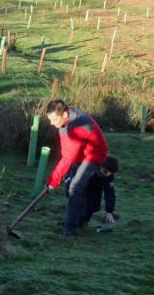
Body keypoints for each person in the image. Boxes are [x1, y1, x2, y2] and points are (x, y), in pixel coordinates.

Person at [45, 99, 109, 236]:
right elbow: (66, 152)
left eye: (54, 120)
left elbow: (68, 157)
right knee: (70, 187)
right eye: (50, 120)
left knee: (75, 187)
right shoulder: (65, 122)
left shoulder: (79, 127)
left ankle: (72, 227)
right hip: (81, 153)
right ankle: (79, 218)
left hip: (94, 155)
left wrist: (53, 181)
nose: (51, 123)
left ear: (64, 115)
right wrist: (55, 179)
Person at [78, 155, 119, 228]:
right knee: (87, 206)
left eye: (110, 173)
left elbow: (110, 193)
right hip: (83, 188)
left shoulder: (109, 177)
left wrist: (109, 211)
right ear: (101, 166)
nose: (107, 174)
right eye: (106, 171)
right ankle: (79, 222)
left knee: (96, 207)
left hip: (96, 189)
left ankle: (85, 220)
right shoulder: (90, 169)